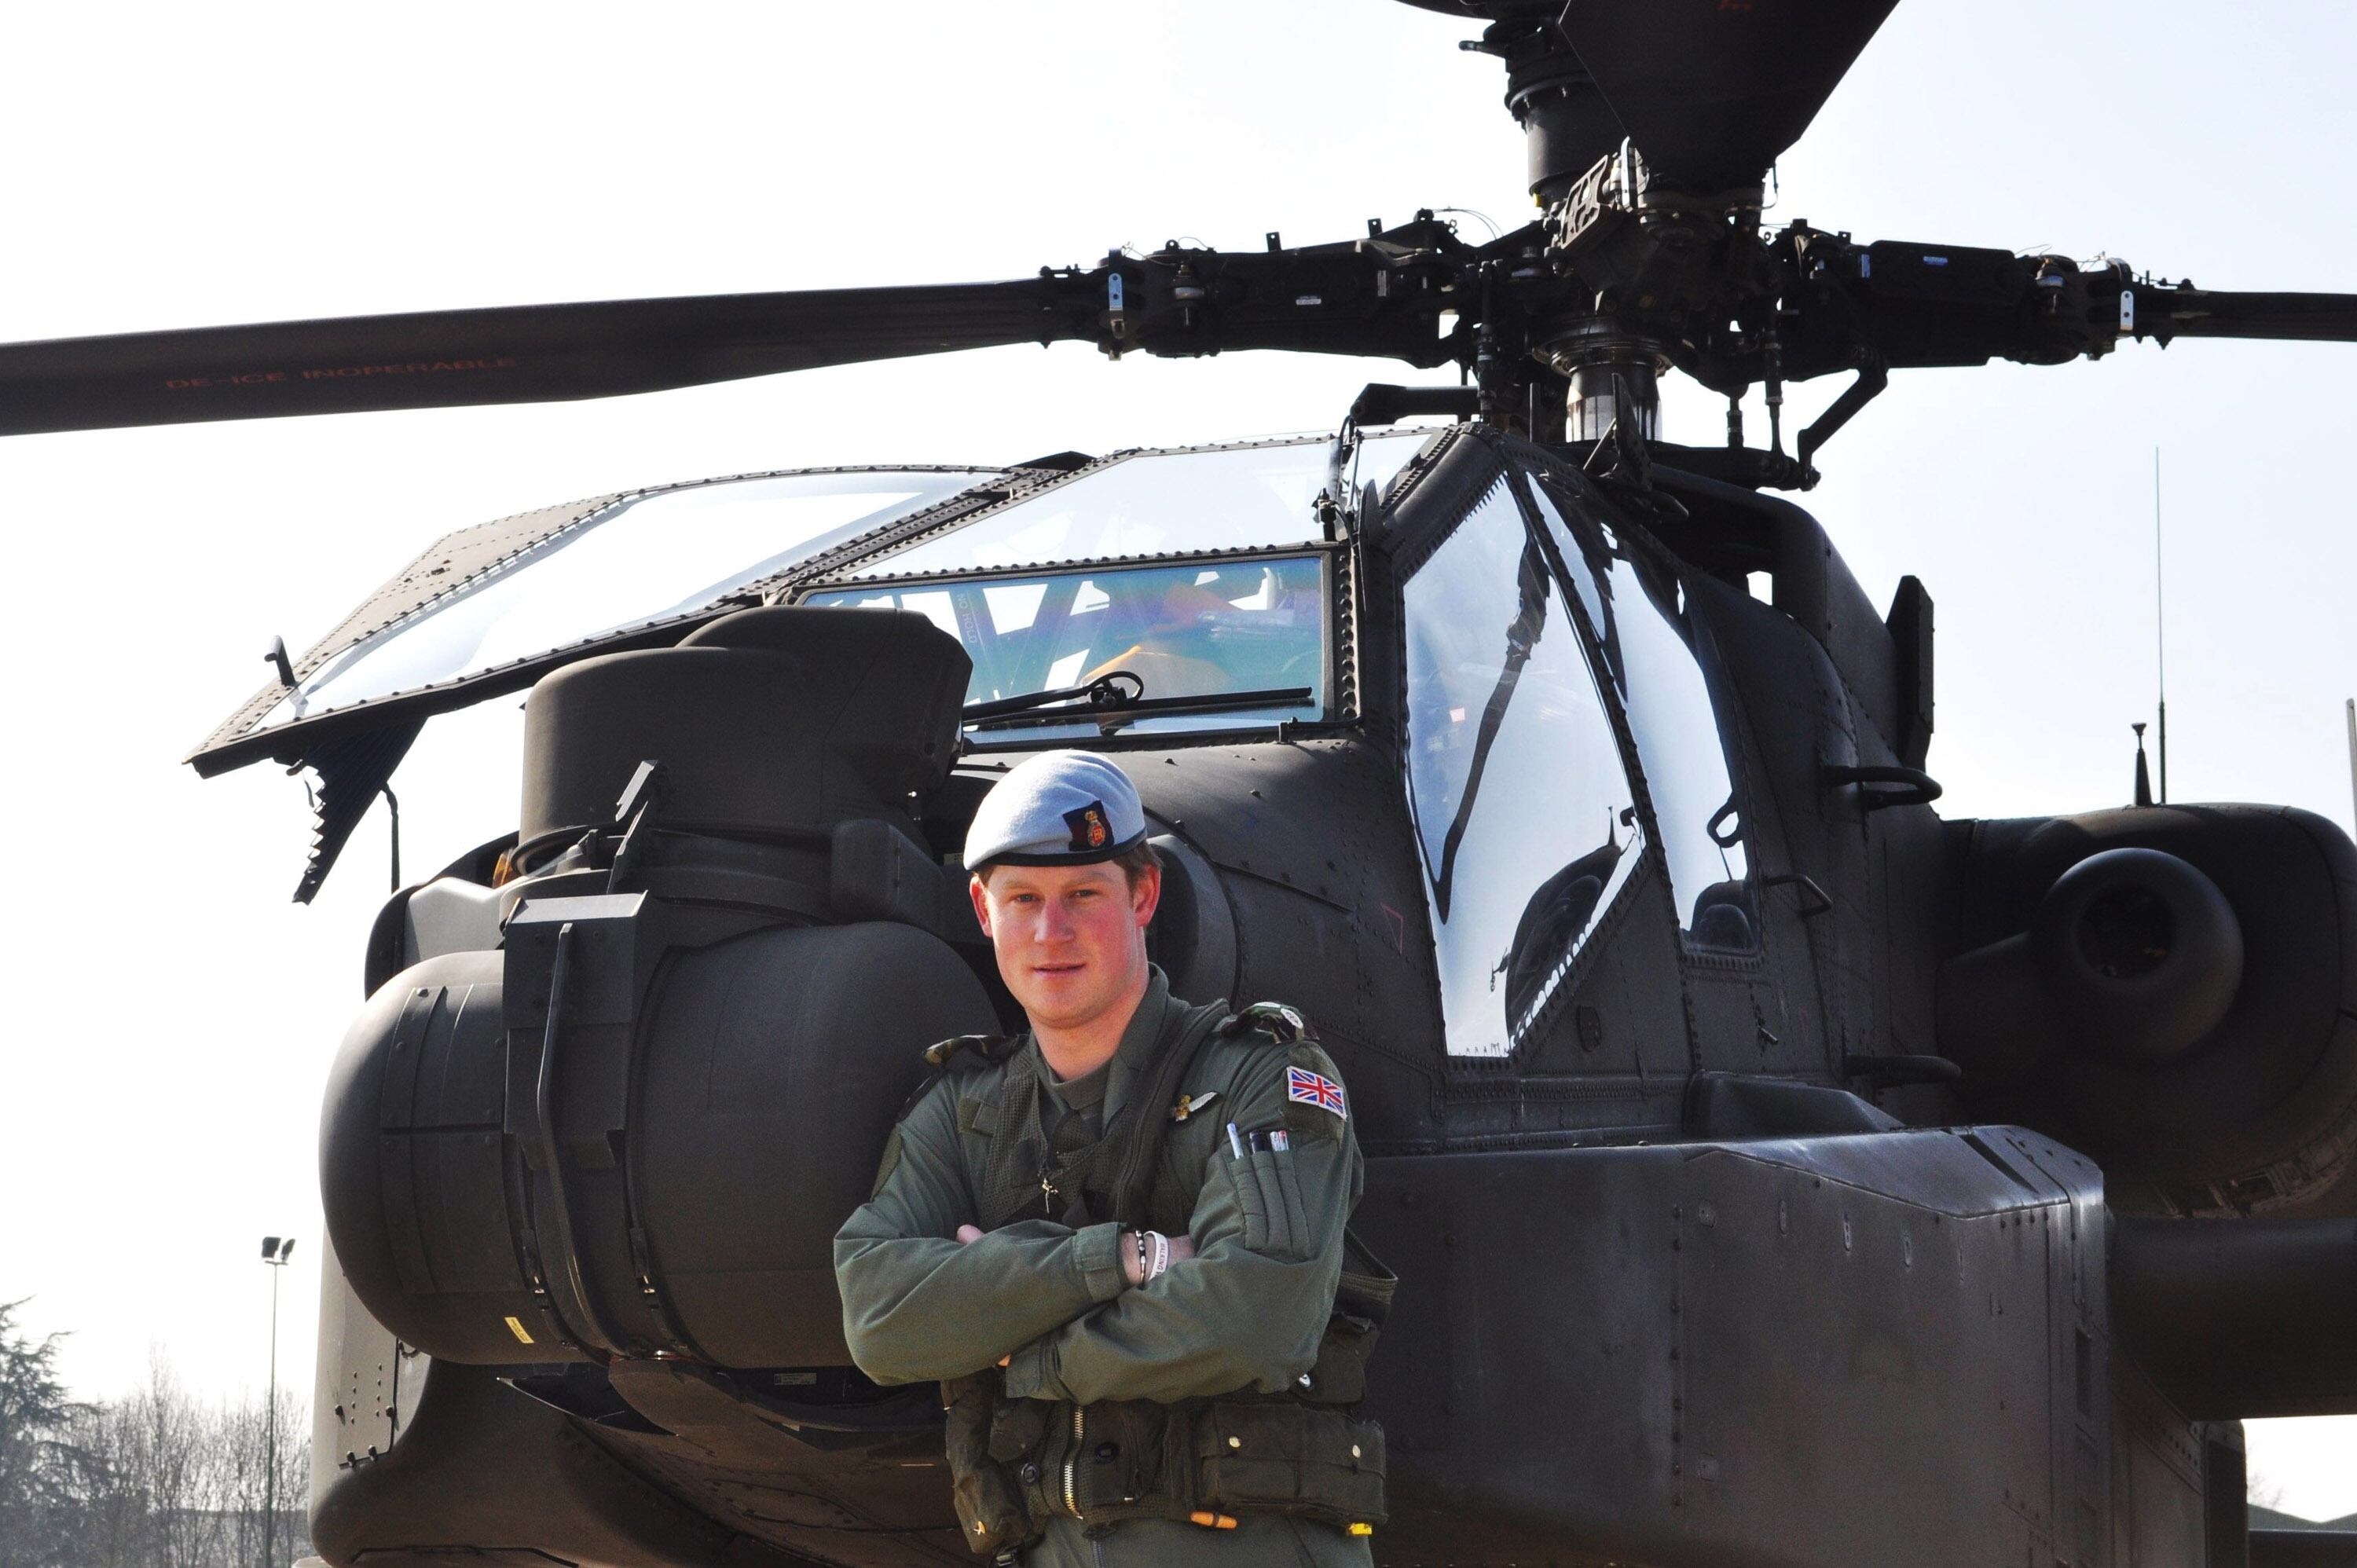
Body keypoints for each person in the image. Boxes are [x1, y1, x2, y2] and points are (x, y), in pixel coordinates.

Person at [834, 749, 1387, 1568]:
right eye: (1023, 898)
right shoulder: (963, 1110)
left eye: (1083, 895)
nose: (1051, 933)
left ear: (1143, 894)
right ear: (984, 909)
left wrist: (1020, 1348)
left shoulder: (1257, 1075)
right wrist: (1127, 1260)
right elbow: (881, 1318)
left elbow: (1255, 1319)